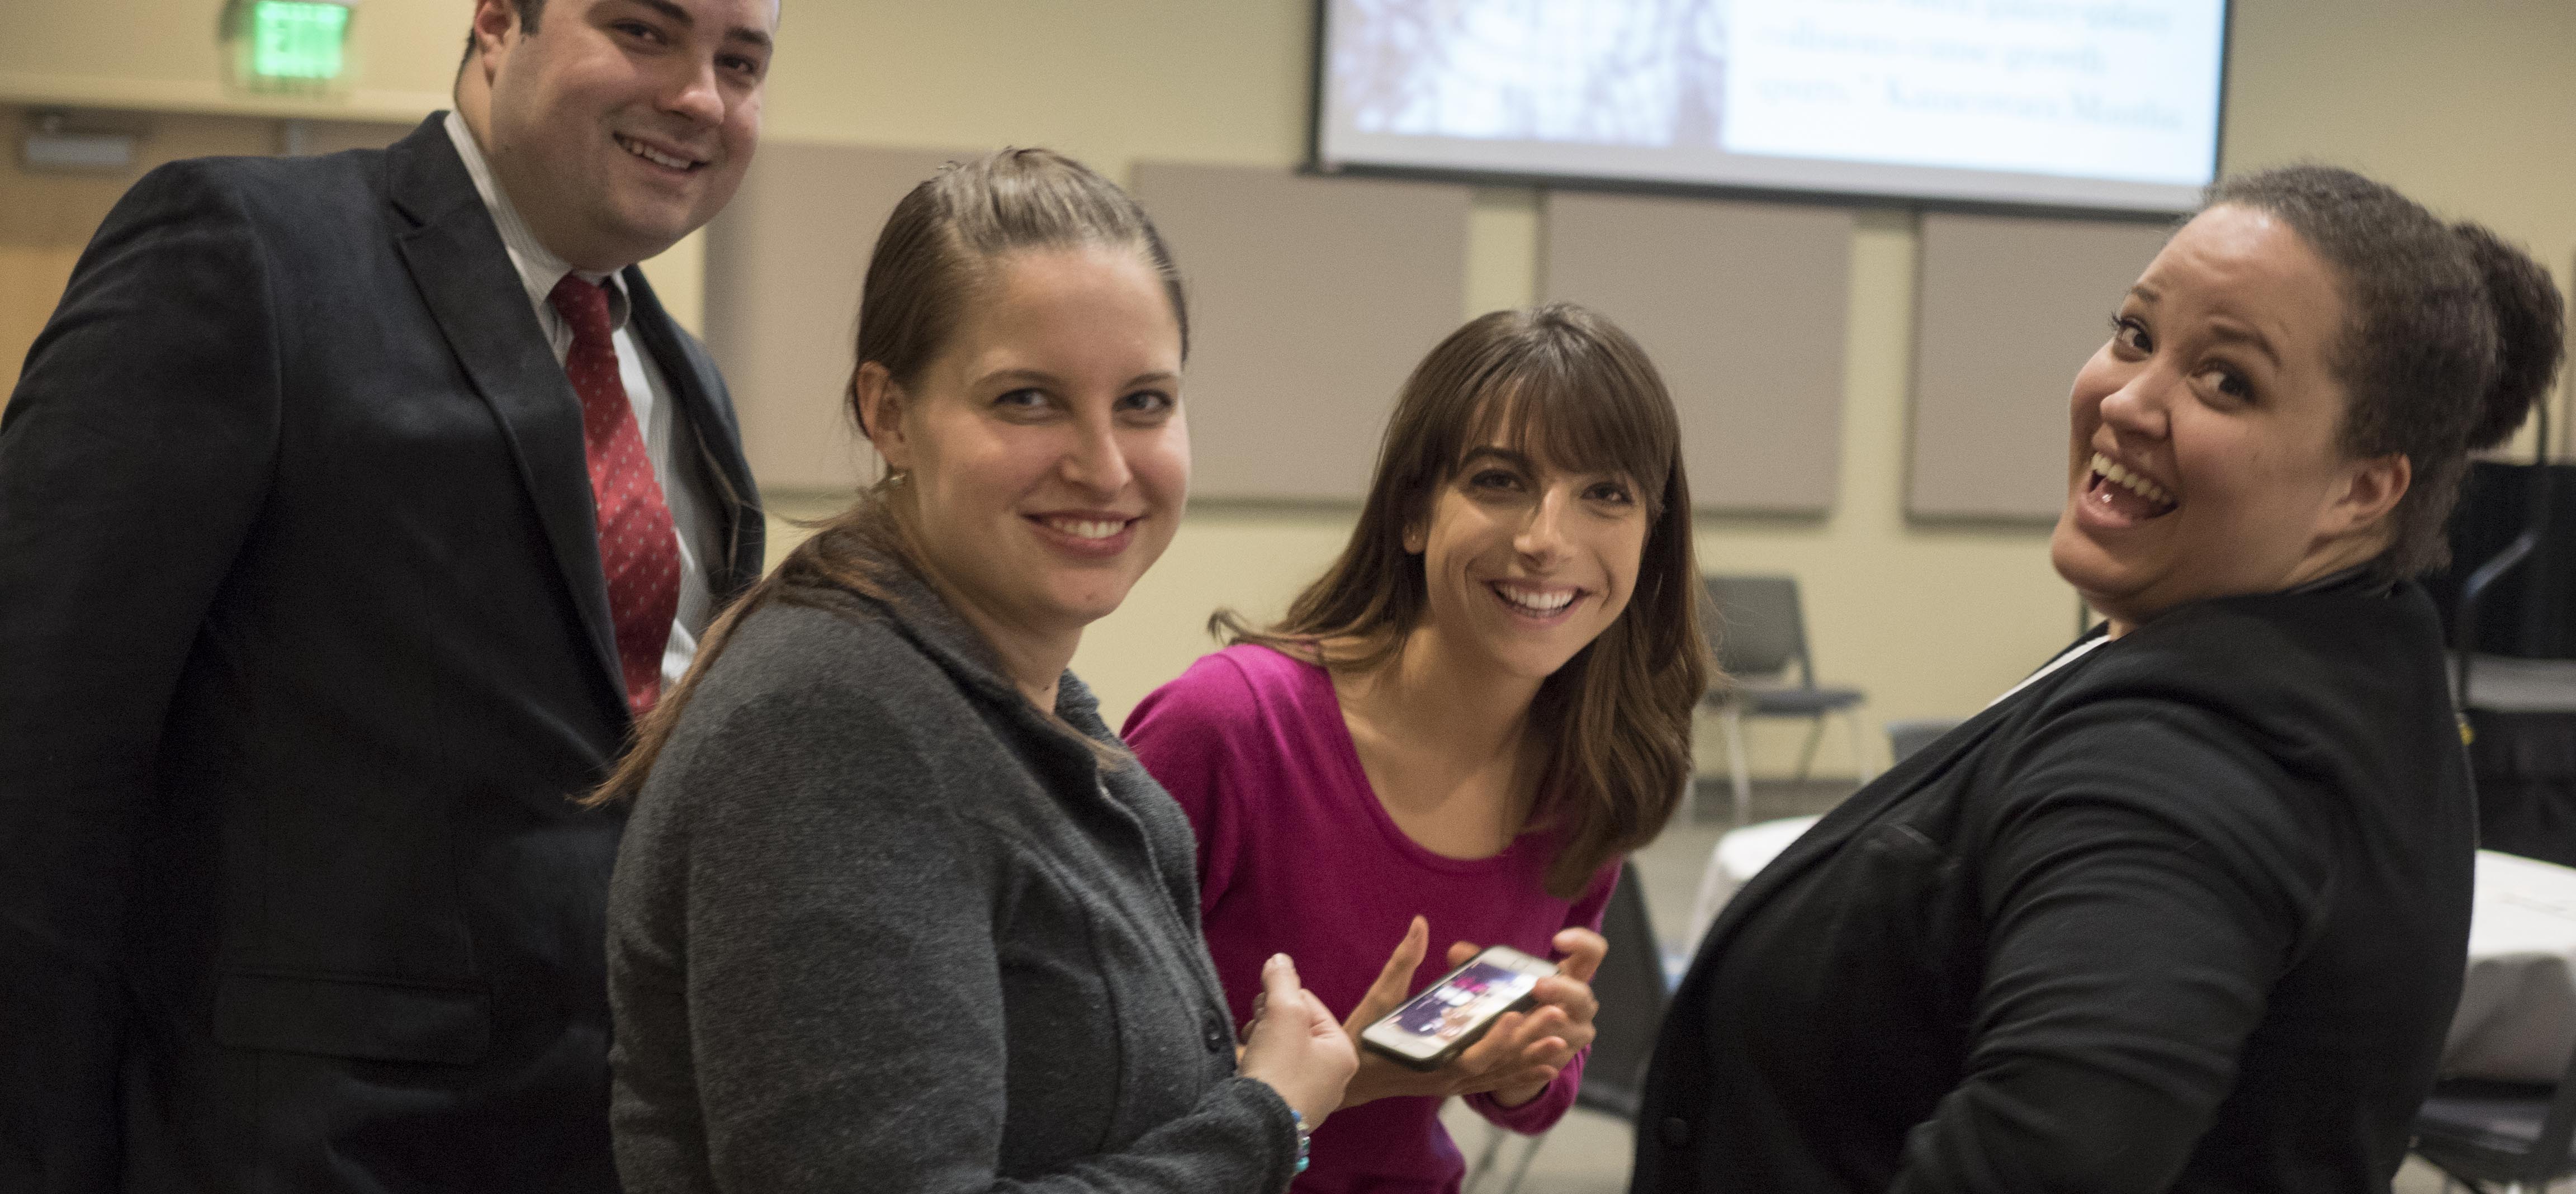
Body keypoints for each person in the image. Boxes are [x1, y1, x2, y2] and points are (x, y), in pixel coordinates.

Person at [1632, 164, 2566, 1194]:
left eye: (2227, 381)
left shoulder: (2183, 763)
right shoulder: (2349, 645)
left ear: (2361, 488)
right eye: (2135, 334)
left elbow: (2052, 1157)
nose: (2129, 399)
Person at [0, 0, 778, 1188]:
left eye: (741, 62)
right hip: (295, 1147)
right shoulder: (245, 252)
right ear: (497, 22)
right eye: (643, 30)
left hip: (601, 1146)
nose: (699, 97)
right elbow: (36, 750)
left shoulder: (688, 379)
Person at [595, 147, 1357, 1193]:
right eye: (1028, 400)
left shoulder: (1022, 699)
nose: (1104, 465)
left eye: (1144, 402)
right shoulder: (829, 729)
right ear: (889, 413)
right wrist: (1262, 1124)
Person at [1125, 304, 1711, 1192]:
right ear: (1413, 513)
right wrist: (1352, 1076)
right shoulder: (1229, 729)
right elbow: (1084, 1078)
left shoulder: (1588, 779)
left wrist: (1525, 1063)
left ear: (1649, 540)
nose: (1547, 540)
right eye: (1500, 481)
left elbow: (1538, 1102)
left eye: (1606, 494)